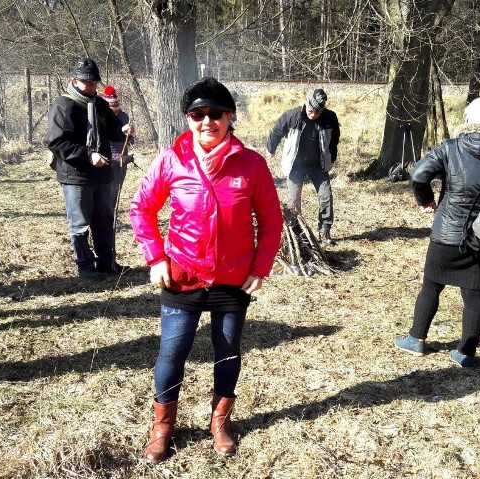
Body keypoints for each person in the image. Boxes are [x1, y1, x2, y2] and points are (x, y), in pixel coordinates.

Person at [129, 77, 283, 463]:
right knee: (172, 351)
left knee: (227, 351)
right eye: (198, 114)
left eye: (216, 114)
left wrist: (261, 267)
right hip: (182, 275)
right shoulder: (171, 160)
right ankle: (163, 426)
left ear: (230, 117)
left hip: (233, 279)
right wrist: (156, 258)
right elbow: (141, 209)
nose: (207, 121)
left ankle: (220, 423)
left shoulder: (252, 165)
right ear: (188, 118)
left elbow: (271, 220)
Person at [393, 97, 480, 367]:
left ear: (469, 120)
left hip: (447, 235)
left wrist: (426, 201)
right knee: (474, 295)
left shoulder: (451, 148)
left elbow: (418, 174)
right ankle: (466, 353)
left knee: (431, 286)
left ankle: (416, 339)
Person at [46, 58, 134, 280]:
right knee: (81, 224)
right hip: (76, 175)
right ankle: (85, 266)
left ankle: (107, 264)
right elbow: (57, 143)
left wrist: (123, 129)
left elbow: (113, 132)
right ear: (74, 81)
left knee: (104, 220)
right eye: (89, 84)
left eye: (95, 83)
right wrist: (88, 155)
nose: (93, 88)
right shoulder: (63, 106)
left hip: (102, 173)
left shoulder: (101, 104)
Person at [266, 88, 340, 246]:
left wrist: (331, 157)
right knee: (294, 201)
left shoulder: (330, 118)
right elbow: (277, 130)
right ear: (306, 104)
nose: (313, 115)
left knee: (326, 195)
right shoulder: (292, 116)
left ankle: (325, 232)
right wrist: (271, 148)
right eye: (311, 111)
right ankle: (297, 232)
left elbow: (334, 139)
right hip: (296, 165)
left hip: (318, 165)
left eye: (317, 113)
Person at [101, 84, 134, 223]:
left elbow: (130, 140)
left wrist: (130, 133)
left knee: (117, 188)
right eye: (111, 111)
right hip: (107, 158)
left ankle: (113, 216)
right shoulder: (101, 117)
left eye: (116, 110)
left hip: (122, 158)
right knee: (108, 189)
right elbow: (103, 140)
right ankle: (106, 217)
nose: (114, 113)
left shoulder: (124, 117)